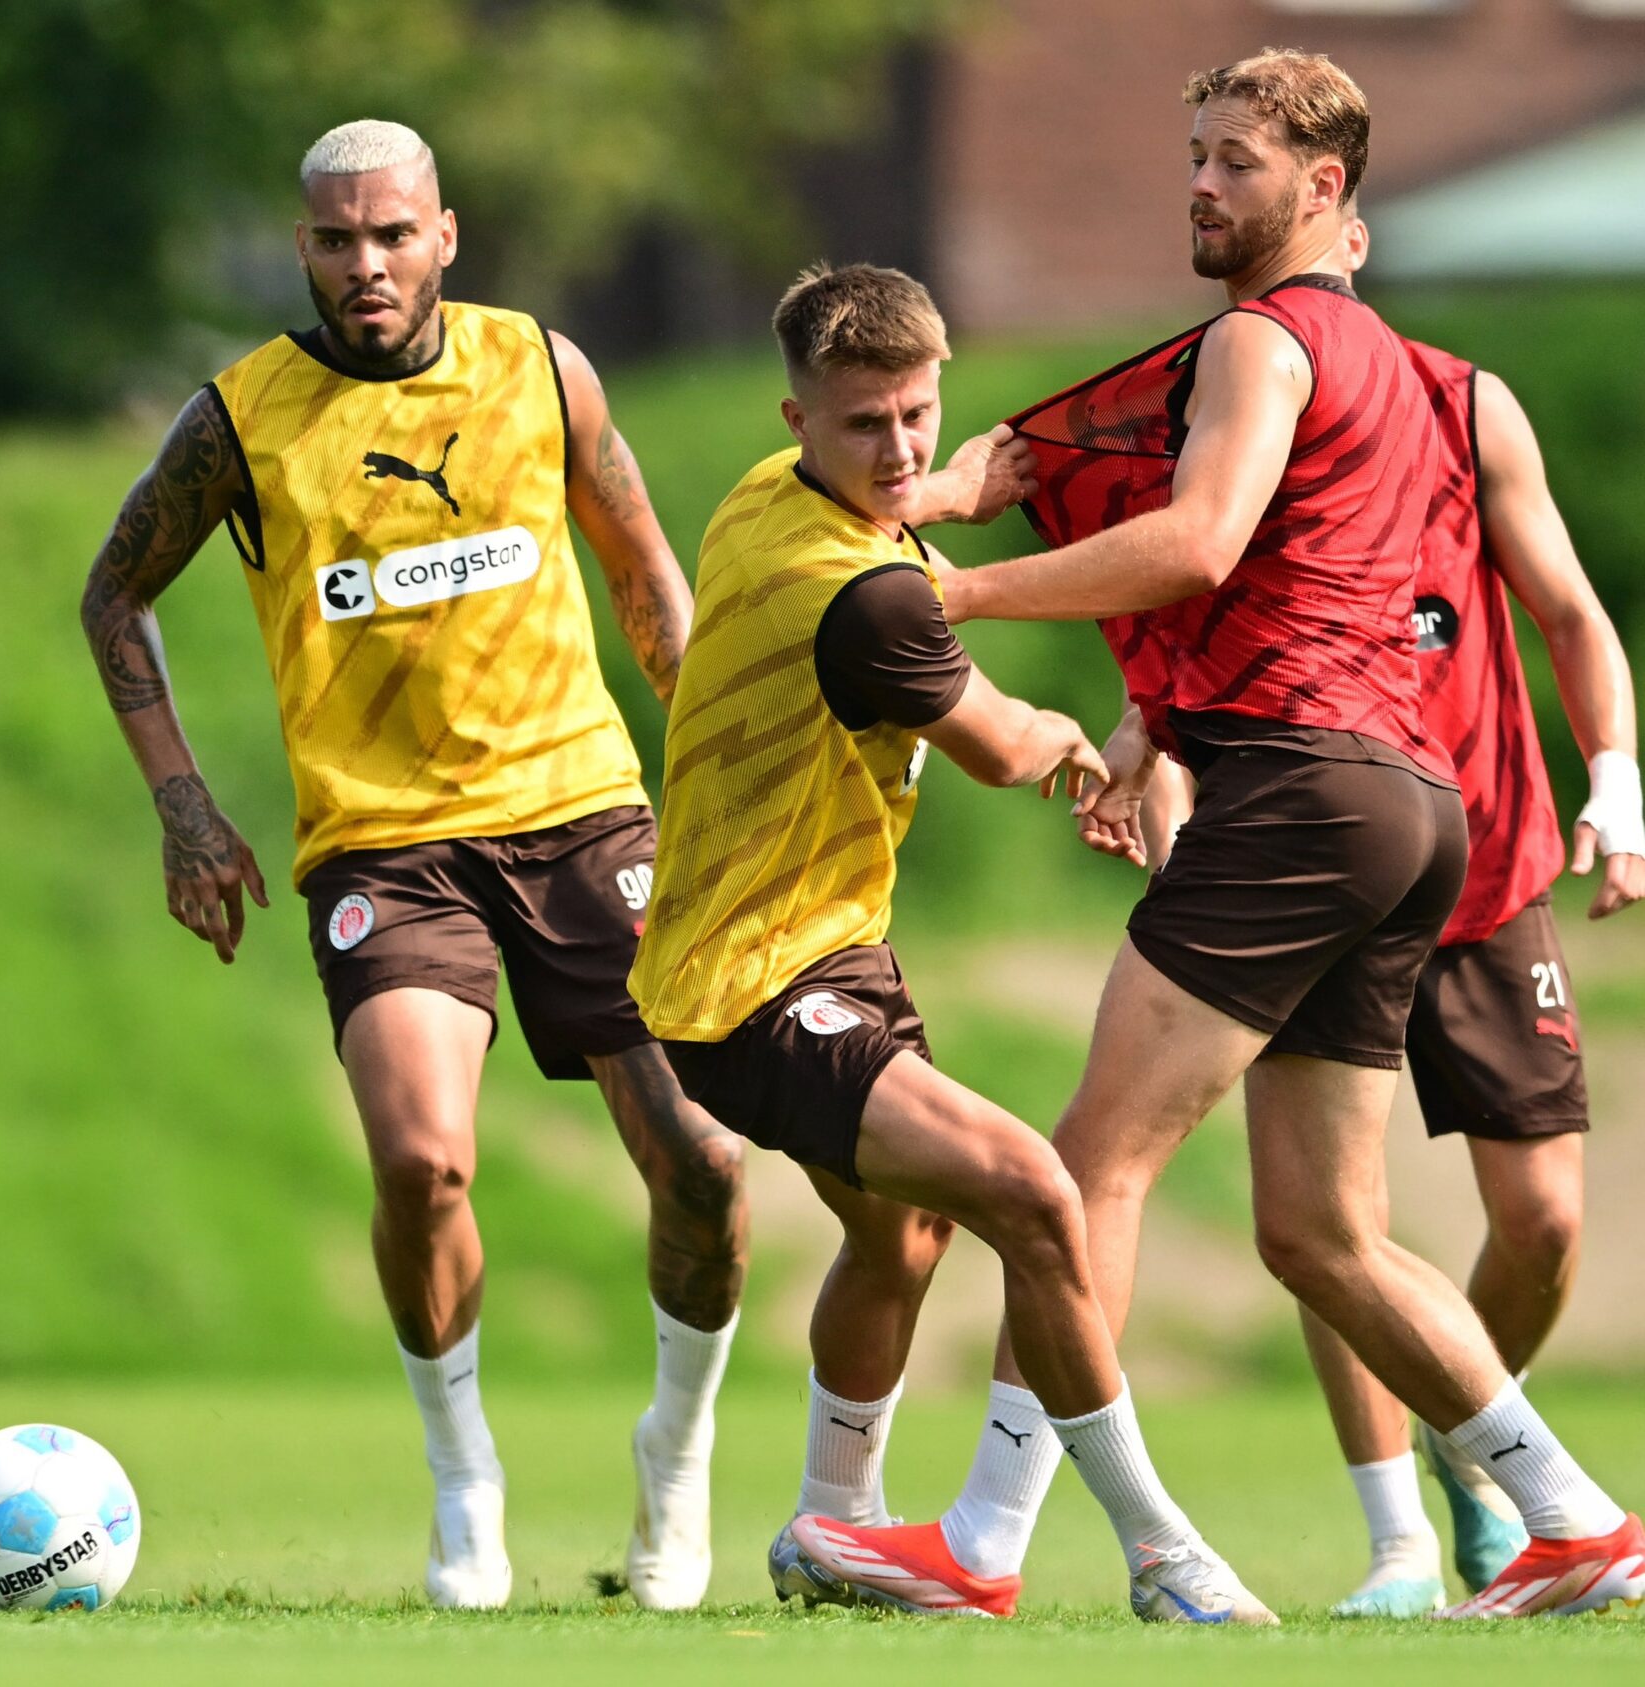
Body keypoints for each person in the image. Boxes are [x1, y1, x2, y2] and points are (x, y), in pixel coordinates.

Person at [814, 49, 1641, 1621]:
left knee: (1086, 1171)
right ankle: (1578, 1521)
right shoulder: (1404, 368)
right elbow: (1298, 585)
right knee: (1325, 1235)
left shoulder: (1264, 343)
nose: (1199, 183)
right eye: (1194, 154)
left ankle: (982, 1545)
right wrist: (1154, 718)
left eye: (1236, 161)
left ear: (1326, 189)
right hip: (1409, 804)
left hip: (1306, 793)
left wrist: (960, 591)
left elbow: (1200, 549)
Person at [78, 118, 750, 1610]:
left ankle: (677, 1461)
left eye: (392, 234)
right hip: (386, 842)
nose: (364, 264)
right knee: (420, 1159)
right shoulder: (244, 418)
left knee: (704, 1166)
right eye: (334, 240)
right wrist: (183, 804)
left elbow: (645, 574)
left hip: (583, 814)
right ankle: (466, 1486)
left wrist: (718, 776)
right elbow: (113, 596)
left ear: (446, 233)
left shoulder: (542, 370)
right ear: (301, 247)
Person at [637, 260, 1270, 1624]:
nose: (899, 450)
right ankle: (1164, 1555)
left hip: (819, 949)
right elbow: (995, 746)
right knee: (1036, 1194)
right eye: (865, 424)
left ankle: (834, 1531)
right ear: (797, 415)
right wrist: (1105, 747)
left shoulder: (766, 490)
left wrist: (980, 491)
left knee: (906, 1234)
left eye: (918, 415)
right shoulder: (863, 598)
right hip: (746, 985)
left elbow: (930, 540)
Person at [1168, 216, 1643, 1616]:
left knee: (1544, 1220)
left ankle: (1481, 1447)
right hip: (1331, 856)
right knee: (1332, 1214)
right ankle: (1396, 1547)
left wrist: (1616, 780)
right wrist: (1159, 752)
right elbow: (1199, 606)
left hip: (1484, 858)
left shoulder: (1461, 402)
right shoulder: (1249, 398)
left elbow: (1568, 608)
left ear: (1351, 231)